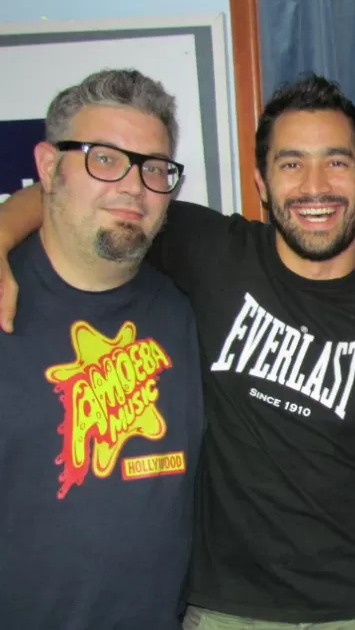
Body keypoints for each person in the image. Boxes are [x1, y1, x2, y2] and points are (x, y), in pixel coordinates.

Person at [0, 74, 355, 629]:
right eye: (291, 163)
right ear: (262, 183)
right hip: (224, 611)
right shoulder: (207, 249)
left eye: (336, 162)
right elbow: (84, 195)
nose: (314, 186)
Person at [0, 69, 205, 629]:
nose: (133, 187)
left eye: (154, 168)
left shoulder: (187, 304)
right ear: (49, 167)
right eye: (105, 159)